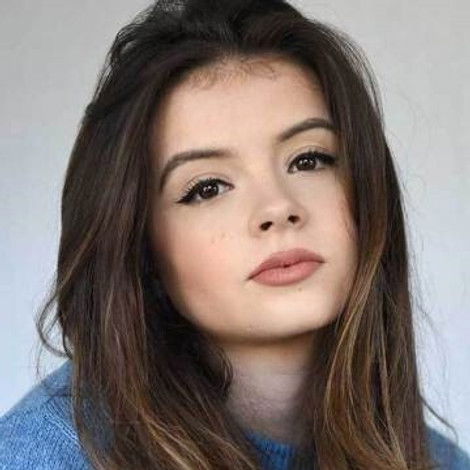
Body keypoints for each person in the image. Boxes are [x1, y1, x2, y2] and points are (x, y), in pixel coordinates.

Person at [1, 0, 469, 469]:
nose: (278, 208)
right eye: (208, 188)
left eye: (308, 160)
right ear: (139, 245)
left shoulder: (435, 461)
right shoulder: (42, 456)